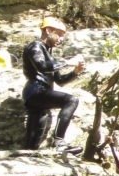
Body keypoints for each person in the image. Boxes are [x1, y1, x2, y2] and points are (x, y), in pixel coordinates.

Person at [22, 15, 85, 155]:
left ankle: (29, 157)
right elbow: (42, 66)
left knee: (31, 145)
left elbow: (60, 81)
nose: (61, 39)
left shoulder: (48, 53)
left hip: (37, 98)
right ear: (49, 30)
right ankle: (59, 142)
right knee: (71, 100)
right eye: (60, 35)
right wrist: (68, 61)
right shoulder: (35, 46)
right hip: (36, 93)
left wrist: (75, 72)